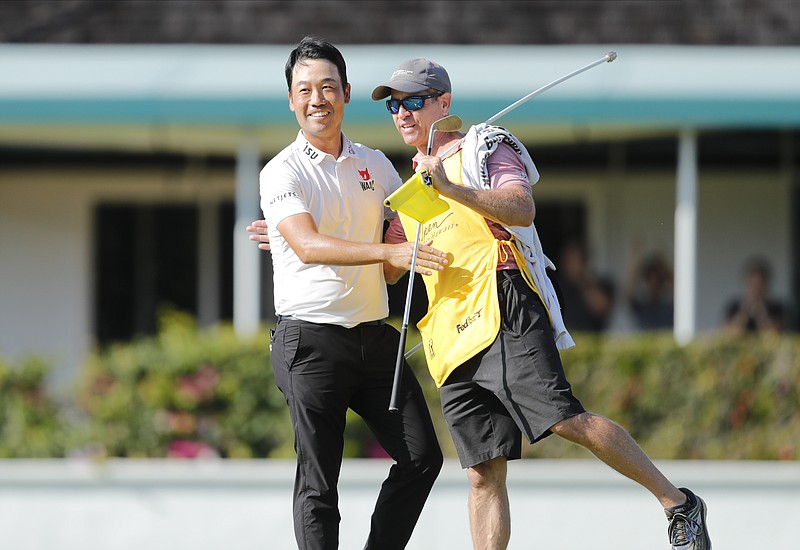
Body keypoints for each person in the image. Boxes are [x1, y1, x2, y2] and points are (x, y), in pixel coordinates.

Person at [372, 58, 711, 550]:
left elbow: (521, 207)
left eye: (413, 102)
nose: (402, 114)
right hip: (450, 334)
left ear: (444, 104)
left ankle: (678, 502)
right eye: (394, 106)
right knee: (482, 473)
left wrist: (449, 187)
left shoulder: (486, 148)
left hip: (503, 305)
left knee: (565, 418)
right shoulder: (410, 191)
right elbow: (387, 269)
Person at [255, 37, 446, 550]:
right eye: (305, 90)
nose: (318, 98)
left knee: (423, 458)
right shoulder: (281, 170)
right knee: (320, 484)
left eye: (328, 87)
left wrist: (393, 246)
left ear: (346, 94)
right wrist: (385, 254)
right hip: (309, 342)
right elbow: (308, 245)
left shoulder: (378, 166)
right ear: (291, 101)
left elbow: (398, 246)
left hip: (373, 337)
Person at [556, 238, 616, 332]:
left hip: (590, 340)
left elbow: (601, 307)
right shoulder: (556, 287)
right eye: (568, 260)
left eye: (576, 260)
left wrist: (582, 280)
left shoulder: (598, 284)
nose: (571, 264)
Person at [724, 256, 788, 334]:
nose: (756, 289)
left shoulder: (776, 307)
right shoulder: (734, 306)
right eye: (752, 284)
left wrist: (761, 313)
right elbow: (727, 333)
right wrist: (745, 311)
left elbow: (777, 333)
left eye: (759, 285)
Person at [624, 243, 674, 330]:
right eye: (650, 279)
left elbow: (679, 289)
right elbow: (628, 291)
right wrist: (637, 256)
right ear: (646, 281)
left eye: (658, 280)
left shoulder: (668, 306)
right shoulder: (641, 306)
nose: (653, 284)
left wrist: (662, 260)